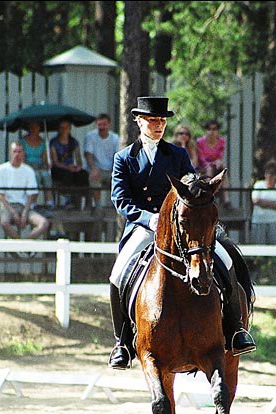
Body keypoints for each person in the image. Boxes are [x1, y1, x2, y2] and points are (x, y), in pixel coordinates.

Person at [108, 96, 255, 369]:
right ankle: (122, 343)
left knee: (224, 258)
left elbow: (191, 183)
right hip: (143, 227)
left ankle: (235, 329)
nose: (158, 125)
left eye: (162, 121)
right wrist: (147, 218)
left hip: (181, 227)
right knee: (117, 274)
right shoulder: (124, 158)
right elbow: (121, 200)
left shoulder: (177, 154)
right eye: (152, 120)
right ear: (140, 122)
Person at [0, 141, 49, 251]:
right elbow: (1, 195)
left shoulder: (28, 170)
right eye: (14, 151)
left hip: (24, 206)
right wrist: (13, 212)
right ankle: (20, 246)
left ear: (23, 153)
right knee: (4, 223)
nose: (17, 154)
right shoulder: (0, 169)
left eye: (20, 151)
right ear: (10, 153)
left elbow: (31, 195)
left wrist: (25, 213)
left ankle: (23, 245)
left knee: (44, 223)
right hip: (7, 206)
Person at [50, 119, 89, 207]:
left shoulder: (74, 142)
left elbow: (78, 158)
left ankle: (85, 200)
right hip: (59, 168)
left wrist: (78, 167)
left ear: (70, 129)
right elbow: (55, 161)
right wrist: (67, 167)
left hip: (71, 167)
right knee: (68, 175)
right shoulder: (54, 142)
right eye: (62, 128)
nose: (64, 130)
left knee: (83, 174)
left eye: (66, 128)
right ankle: (68, 199)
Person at [84, 113, 119, 207]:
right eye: (99, 125)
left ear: (109, 124)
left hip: (111, 169)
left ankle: (117, 207)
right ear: (96, 124)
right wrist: (93, 168)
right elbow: (88, 154)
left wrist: (115, 171)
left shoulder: (115, 138)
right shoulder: (90, 136)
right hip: (97, 168)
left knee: (120, 180)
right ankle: (98, 207)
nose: (102, 127)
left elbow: (117, 156)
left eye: (104, 124)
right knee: (94, 178)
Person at [251, 160, 276, 244]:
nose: (269, 176)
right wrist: (274, 204)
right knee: (259, 249)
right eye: (267, 173)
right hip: (259, 221)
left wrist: (264, 203)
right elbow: (255, 200)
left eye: (272, 173)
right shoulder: (258, 185)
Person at [197, 119, 231, 207]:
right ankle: (209, 195)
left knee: (224, 171)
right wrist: (210, 164)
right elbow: (201, 158)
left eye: (214, 129)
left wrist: (218, 162)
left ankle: (226, 199)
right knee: (209, 169)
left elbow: (219, 156)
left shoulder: (221, 141)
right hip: (203, 167)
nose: (212, 131)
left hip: (216, 165)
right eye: (209, 129)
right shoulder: (200, 142)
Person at [20, 120, 54, 208]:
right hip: (28, 165)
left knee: (46, 175)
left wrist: (48, 163)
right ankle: (33, 201)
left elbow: (44, 158)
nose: (34, 129)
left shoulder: (43, 142)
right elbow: (22, 157)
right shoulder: (23, 141)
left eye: (36, 127)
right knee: (36, 176)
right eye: (32, 127)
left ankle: (49, 201)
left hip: (39, 165)